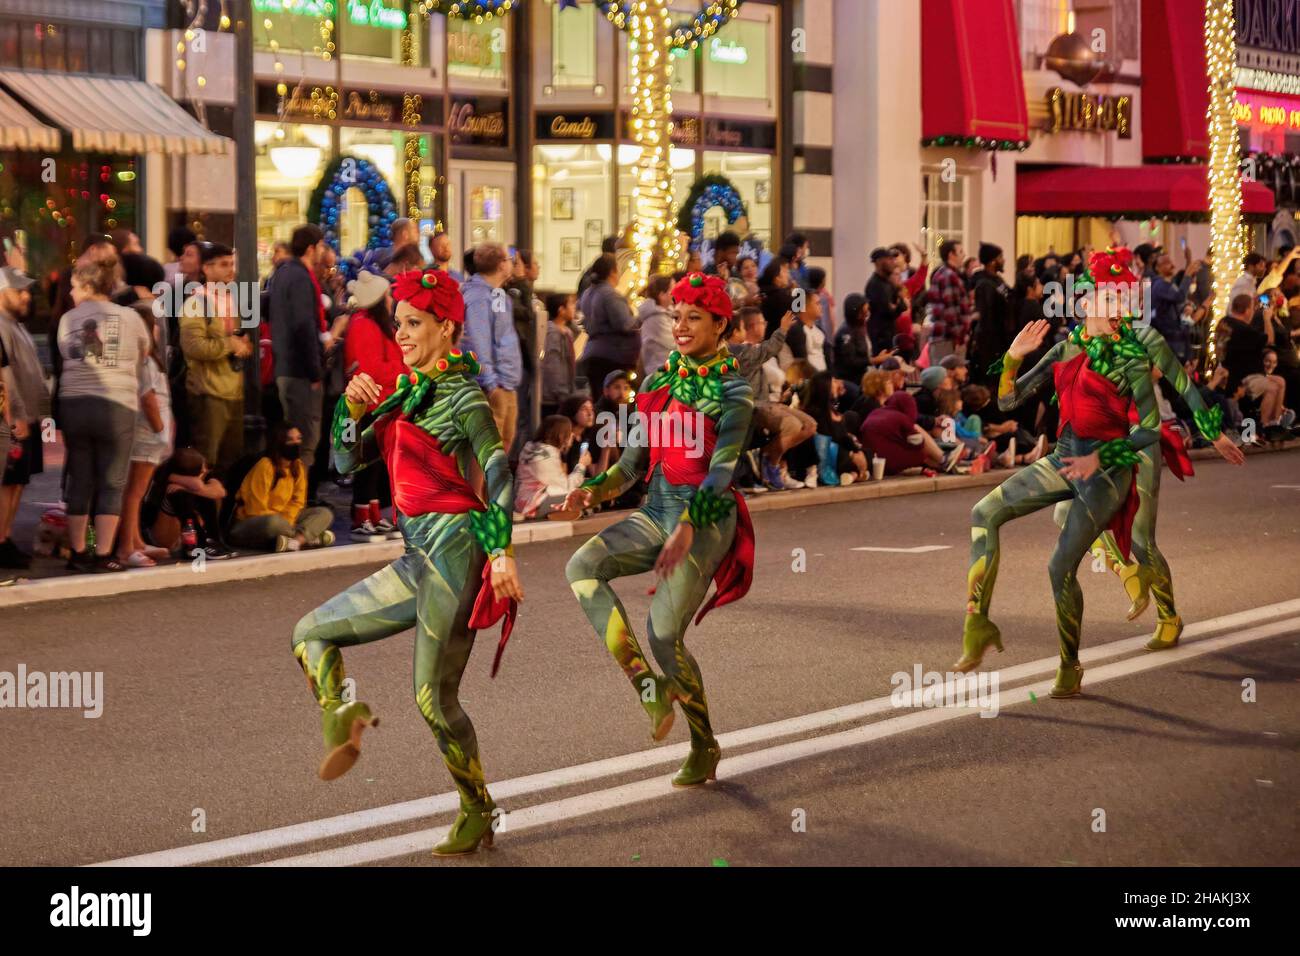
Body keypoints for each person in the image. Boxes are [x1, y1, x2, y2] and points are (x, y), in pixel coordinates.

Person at [293, 267, 522, 856]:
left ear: (447, 328)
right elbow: (346, 464)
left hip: (458, 550)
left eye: (414, 323)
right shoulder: (403, 392)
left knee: (432, 698)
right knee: (310, 633)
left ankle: (477, 808)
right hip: (418, 557)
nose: (402, 334)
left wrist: (500, 551)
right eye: (398, 323)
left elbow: (498, 470)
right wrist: (347, 407)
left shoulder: (464, 396)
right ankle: (344, 714)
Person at [565, 272, 754, 788]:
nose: (683, 325)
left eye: (695, 317)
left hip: (707, 519)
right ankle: (649, 689)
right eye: (678, 315)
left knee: (664, 634)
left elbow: (722, 471)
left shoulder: (735, 392)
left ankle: (703, 743)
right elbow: (629, 468)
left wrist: (691, 526)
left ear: (722, 325)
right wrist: (590, 492)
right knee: (581, 568)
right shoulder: (656, 383)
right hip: (657, 512)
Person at [953, 251, 1166, 699]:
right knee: (983, 513)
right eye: (1100, 298)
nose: (1109, 306)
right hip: (1064, 457)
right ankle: (978, 623)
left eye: (1116, 299)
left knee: (1059, 567)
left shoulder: (1131, 358)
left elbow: (1148, 430)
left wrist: (1101, 457)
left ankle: (1070, 664)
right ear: (1085, 304)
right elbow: (1008, 404)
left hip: (1105, 470)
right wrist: (1011, 360)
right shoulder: (1065, 349)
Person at [56, 253, 154, 573]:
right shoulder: (130, 318)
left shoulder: (68, 320)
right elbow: (145, 352)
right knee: (112, 480)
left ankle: (78, 551)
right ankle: (104, 554)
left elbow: (63, 353)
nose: (71, 293)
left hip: (74, 402)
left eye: (73, 286)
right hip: (117, 404)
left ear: (86, 285)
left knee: (80, 477)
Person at [341, 269, 403, 542]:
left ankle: (373, 515)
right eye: (388, 295)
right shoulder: (364, 324)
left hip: (381, 402)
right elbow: (371, 368)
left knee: (375, 463)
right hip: (369, 403)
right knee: (367, 464)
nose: (391, 299)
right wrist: (401, 372)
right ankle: (361, 517)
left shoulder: (375, 324)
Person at [180, 242, 249, 476]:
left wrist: (242, 344)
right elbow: (193, 346)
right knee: (207, 460)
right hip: (208, 392)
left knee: (231, 461)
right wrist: (229, 344)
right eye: (223, 265)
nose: (230, 270)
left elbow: (234, 338)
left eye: (231, 264)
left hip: (233, 390)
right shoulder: (196, 302)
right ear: (206, 269)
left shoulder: (231, 299)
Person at [270, 225, 329, 474]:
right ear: (311, 248)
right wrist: (315, 373)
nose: (324, 252)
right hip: (300, 372)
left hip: (285, 366)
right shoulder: (301, 277)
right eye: (322, 246)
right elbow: (304, 326)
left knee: (295, 436)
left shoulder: (283, 273)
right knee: (304, 440)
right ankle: (297, 500)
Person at [117, 302, 172, 568]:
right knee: (134, 492)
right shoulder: (144, 360)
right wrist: (161, 429)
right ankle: (126, 547)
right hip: (147, 432)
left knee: (136, 491)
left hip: (148, 432)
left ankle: (136, 540)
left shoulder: (145, 358)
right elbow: (148, 398)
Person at [230, 423, 335, 552]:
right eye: (291, 440)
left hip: (285, 521)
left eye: (299, 438)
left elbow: (298, 502)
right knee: (273, 522)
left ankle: (295, 541)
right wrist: (286, 524)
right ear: (279, 443)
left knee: (324, 513)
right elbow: (255, 509)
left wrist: (287, 521)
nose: (296, 443)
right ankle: (308, 538)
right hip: (253, 522)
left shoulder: (297, 466)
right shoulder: (265, 465)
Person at [0, 267, 44, 569]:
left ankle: (5, 536)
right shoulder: (2, 325)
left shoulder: (15, 324)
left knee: (18, 482)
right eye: (19, 290)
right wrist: (14, 414)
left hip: (27, 416)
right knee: (9, 481)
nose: (26, 296)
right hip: (15, 418)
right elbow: (6, 376)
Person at [461, 242, 523, 449]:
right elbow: (477, 343)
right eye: (508, 259)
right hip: (492, 386)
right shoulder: (478, 297)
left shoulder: (497, 294)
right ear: (500, 265)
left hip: (507, 382)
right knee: (487, 449)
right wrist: (490, 384)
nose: (511, 263)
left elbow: (501, 337)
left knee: (503, 446)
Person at [576, 254, 639, 402]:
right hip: (613, 355)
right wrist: (639, 319)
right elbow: (624, 324)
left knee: (599, 400)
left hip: (592, 353)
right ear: (612, 272)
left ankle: (600, 425)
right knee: (616, 402)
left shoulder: (587, 293)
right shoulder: (610, 295)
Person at [514, 415, 590, 518]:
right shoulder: (546, 455)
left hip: (525, 500)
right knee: (586, 494)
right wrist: (581, 465)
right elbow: (567, 486)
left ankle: (565, 512)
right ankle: (560, 512)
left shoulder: (534, 447)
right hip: (533, 505)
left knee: (587, 486)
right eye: (569, 432)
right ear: (561, 435)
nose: (572, 435)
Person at [969, 243, 1013, 386]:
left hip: (1002, 339)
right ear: (992, 261)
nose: (1003, 260)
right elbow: (987, 317)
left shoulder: (998, 280)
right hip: (991, 343)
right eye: (1000, 257)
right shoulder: (984, 285)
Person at [541, 292, 578, 417]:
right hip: (553, 396)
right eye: (571, 304)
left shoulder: (566, 332)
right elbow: (553, 364)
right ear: (561, 310)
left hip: (564, 392)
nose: (574, 308)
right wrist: (561, 392)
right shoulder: (552, 333)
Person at [864, 247, 906, 352]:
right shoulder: (875, 285)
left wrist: (898, 304)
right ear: (879, 262)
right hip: (880, 337)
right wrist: (897, 305)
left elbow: (902, 306)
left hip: (890, 333)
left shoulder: (888, 284)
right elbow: (888, 312)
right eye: (889, 259)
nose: (894, 263)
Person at [638, 274, 675, 377]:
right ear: (662, 295)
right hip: (660, 372)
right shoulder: (655, 319)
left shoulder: (668, 312)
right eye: (672, 290)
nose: (675, 293)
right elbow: (674, 343)